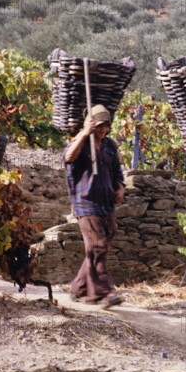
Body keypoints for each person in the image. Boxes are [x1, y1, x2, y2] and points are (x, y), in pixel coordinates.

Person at [63, 104, 125, 307]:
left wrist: (121, 187)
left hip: (105, 200)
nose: (103, 130)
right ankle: (103, 293)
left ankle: (78, 287)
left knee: (103, 241)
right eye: (99, 126)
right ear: (91, 125)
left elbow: (117, 170)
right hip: (85, 202)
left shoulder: (110, 145)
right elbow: (68, 157)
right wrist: (83, 134)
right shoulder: (80, 143)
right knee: (97, 243)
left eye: (106, 126)